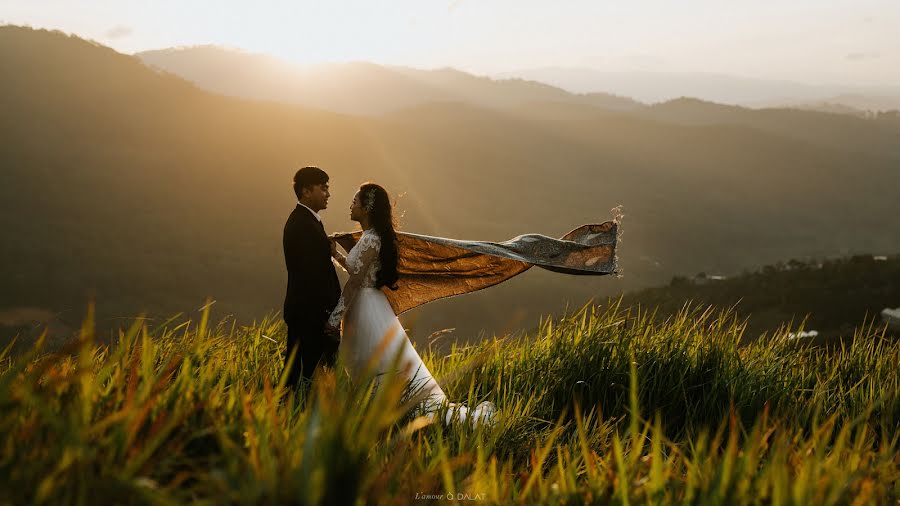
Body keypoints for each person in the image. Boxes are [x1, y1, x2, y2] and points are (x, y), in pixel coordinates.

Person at [327, 183, 496, 426]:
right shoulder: (371, 238)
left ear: (367, 207)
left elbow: (354, 283)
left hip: (366, 308)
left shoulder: (370, 239)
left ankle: (382, 415)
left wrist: (334, 319)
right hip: (370, 305)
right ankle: (383, 414)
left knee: (373, 362)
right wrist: (337, 254)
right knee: (374, 361)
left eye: (355, 201)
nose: (350, 205)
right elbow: (359, 272)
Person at [282, 166, 342, 388]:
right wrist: (329, 315)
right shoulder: (302, 224)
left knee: (306, 376)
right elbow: (311, 277)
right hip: (309, 314)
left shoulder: (310, 221)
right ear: (306, 191)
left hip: (310, 313)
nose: (328, 194)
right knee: (301, 377)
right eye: (323, 188)